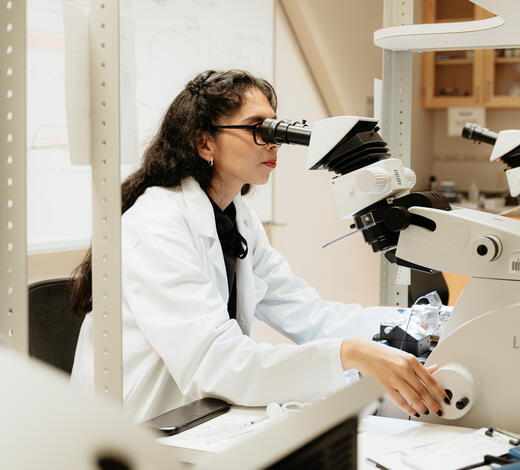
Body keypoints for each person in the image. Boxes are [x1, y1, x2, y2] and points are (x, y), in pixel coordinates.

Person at [69, 69, 446, 423]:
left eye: (275, 128)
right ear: (204, 142)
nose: (274, 143)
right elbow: (215, 363)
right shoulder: (155, 227)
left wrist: (426, 324)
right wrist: (348, 354)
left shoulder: (237, 217)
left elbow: (309, 315)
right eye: (257, 129)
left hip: (200, 418)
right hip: (139, 427)